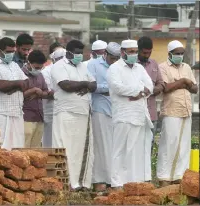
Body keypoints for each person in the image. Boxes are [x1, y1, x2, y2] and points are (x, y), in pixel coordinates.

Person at [51, 40, 97, 190]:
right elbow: (66, 85)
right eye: (77, 52)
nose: (79, 56)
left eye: (81, 53)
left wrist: (85, 85)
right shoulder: (59, 66)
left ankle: (79, 183)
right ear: (69, 52)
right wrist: (85, 84)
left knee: (79, 150)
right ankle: (64, 184)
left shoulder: (83, 66)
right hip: (65, 113)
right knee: (64, 148)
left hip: (83, 112)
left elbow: (94, 84)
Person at [107, 40, 154, 188]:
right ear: (122, 52)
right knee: (119, 149)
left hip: (139, 114)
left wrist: (140, 93)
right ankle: (116, 183)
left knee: (135, 150)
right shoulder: (114, 68)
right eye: (131, 51)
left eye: (135, 51)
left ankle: (132, 182)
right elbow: (118, 88)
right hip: (123, 114)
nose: (134, 54)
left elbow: (150, 86)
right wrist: (139, 90)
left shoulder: (139, 68)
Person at [157, 40, 198, 187]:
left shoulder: (186, 67)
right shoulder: (162, 67)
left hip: (186, 110)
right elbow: (166, 88)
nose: (180, 56)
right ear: (169, 54)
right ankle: (164, 178)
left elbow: (194, 88)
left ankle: (179, 177)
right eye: (177, 53)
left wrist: (181, 83)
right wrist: (183, 82)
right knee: (169, 144)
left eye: (181, 53)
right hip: (171, 111)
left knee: (184, 146)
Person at [0, 37, 29, 150]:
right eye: (8, 52)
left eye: (13, 51)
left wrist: (14, 86)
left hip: (17, 113)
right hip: (0, 114)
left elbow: (27, 82)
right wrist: (18, 84)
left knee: (17, 150)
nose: (11, 54)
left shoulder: (14, 65)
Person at [87, 42, 121, 192]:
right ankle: (99, 181)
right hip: (99, 110)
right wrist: (111, 88)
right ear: (105, 54)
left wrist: (113, 89)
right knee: (101, 148)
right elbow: (92, 86)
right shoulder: (93, 65)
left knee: (115, 147)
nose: (114, 61)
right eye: (112, 58)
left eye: (117, 58)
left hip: (118, 111)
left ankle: (113, 181)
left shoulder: (120, 67)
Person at [22, 50, 53, 148]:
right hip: (25, 116)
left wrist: (38, 93)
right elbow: (17, 95)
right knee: (24, 148)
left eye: (41, 67)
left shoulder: (40, 75)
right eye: (36, 67)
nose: (38, 69)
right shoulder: (20, 74)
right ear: (29, 63)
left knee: (36, 150)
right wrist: (33, 90)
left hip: (39, 116)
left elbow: (45, 92)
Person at [137, 36, 165, 138]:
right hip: (136, 113)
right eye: (144, 53)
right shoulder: (132, 64)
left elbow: (161, 83)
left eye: (149, 53)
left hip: (151, 113)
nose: (147, 55)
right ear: (138, 50)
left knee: (149, 144)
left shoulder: (154, 64)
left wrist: (157, 89)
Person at [41, 43, 66, 147]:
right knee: (49, 143)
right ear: (52, 55)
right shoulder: (46, 71)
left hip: (65, 111)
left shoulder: (67, 69)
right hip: (50, 112)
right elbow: (48, 92)